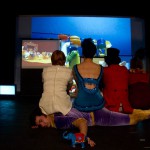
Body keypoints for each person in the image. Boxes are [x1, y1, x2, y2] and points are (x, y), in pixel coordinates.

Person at [30, 105, 150, 148]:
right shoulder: (54, 113)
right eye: (39, 124)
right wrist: (35, 125)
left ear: (44, 114)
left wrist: (82, 137)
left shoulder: (58, 121)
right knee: (127, 115)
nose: (42, 124)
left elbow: (81, 122)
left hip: (98, 116)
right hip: (94, 110)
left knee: (131, 120)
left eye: (41, 120)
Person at [39, 50, 73, 116]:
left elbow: (44, 83)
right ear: (64, 60)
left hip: (45, 106)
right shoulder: (69, 71)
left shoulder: (45, 71)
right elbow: (69, 86)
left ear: (52, 60)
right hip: (63, 107)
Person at [102, 47, 133, 113]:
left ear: (107, 59)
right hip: (125, 106)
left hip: (110, 107)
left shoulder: (104, 71)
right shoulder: (124, 70)